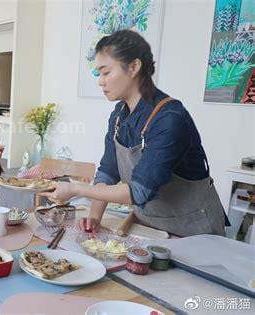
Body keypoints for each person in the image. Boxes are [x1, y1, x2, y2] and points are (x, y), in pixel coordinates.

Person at [40, 30, 228, 237]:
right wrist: (94, 217)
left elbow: (138, 191)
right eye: (98, 74)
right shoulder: (119, 115)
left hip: (195, 231)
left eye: (106, 72)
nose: (100, 82)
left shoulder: (170, 118)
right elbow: (108, 172)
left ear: (134, 67)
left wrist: (75, 189)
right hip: (151, 228)